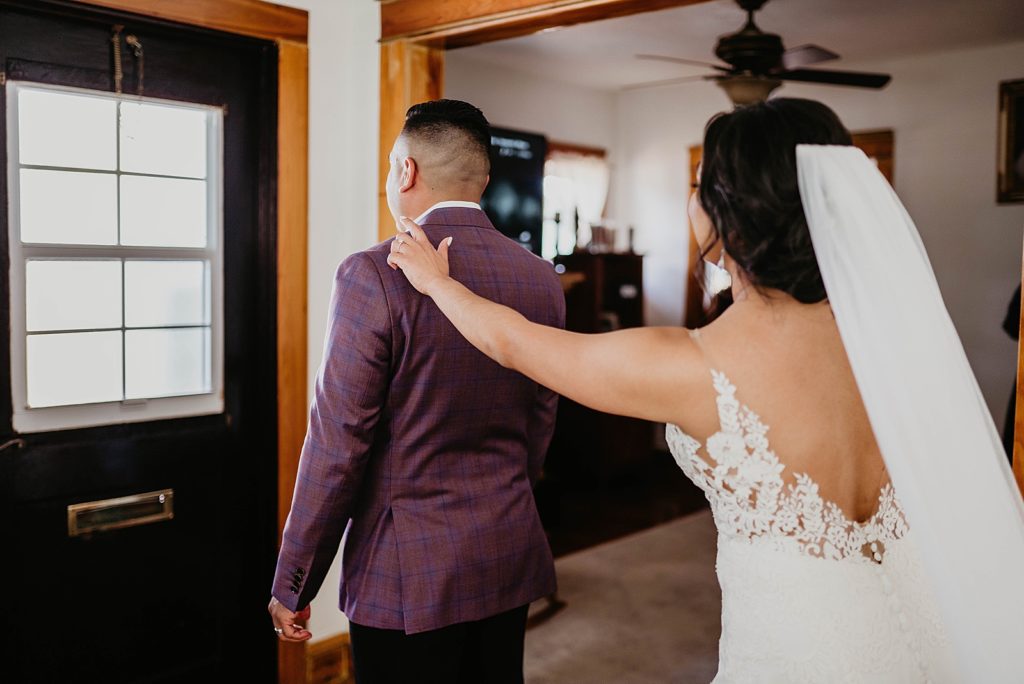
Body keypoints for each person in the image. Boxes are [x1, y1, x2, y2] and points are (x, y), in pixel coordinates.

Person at [388, 98, 1024, 682]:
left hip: (795, 654)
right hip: (917, 641)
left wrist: (438, 284)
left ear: (724, 213)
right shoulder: (896, 342)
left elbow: (516, 344)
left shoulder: (696, 363)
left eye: (698, 188)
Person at [268, 99, 565, 683]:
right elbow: (540, 423)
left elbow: (337, 445)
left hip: (407, 570)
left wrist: (294, 578)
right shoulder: (539, 277)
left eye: (389, 165)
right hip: (506, 546)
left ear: (405, 172)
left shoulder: (373, 274)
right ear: (482, 177)